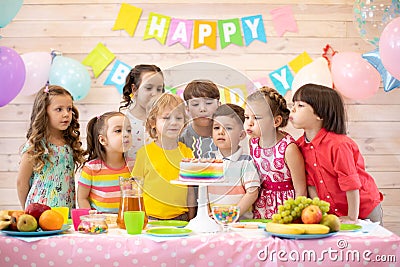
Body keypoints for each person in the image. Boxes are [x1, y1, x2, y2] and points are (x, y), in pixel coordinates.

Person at [290, 83, 383, 224]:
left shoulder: (339, 145)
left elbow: (351, 183)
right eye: (293, 105)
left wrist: (352, 217)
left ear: (320, 114)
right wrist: (321, 212)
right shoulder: (299, 146)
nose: (293, 109)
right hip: (335, 213)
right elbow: (311, 185)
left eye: (300, 105)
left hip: (363, 209)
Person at [16, 85, 86, 210]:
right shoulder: (36, 145)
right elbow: (21, 183)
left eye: (69, 109)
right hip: (40, 213)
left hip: (66, 212)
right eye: (59, 109)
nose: (66, 114)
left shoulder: (69, 142)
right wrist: (27, 210)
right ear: (44, 112)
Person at [244, 86, 307, 219]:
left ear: (276, 121)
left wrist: (295, 216)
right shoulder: (253, 143)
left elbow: (301, 189)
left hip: (284, 207)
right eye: (246, 117)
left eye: (256, 118)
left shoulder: (289, 148)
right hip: (261, 205)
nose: (249, 123)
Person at [131, 93, 195, 220]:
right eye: (166, 118)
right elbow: (135, 188)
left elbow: (190, 189)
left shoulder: (187, 153)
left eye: (178, 118)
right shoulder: (144, 153)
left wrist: (191, 217)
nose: (173, 123)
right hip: (149, 218)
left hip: (181, 218)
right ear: (153, 122)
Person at [208, 104, 261, 219]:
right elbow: (204, 192)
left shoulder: (246, 162)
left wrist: (232, 214)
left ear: (241, 135)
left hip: (240, 224)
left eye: (228, 128)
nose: (221, 132)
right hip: (214, 222)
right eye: (216, 128)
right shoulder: (209, 162)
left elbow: (252, 193)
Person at [77, 112, 133, 213]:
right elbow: (82, 198)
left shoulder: (133, 166)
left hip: (125, 223)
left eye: (128, 130)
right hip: (100, 224)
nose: (126, 134)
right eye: (118, 130)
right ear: (103, 140)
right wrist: (90, 219)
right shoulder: (91, 168)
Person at [119, 64, 164, 162]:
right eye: (148, 88)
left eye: (159, 89)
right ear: (135, 89)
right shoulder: (123, 120)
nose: (154, 93)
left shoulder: (165, 119)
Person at [179, 79, 220, 158]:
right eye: (195, 104)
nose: (202, 109)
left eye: (208, 103)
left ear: (219, 105)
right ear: (187, 109)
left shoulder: (228, 135)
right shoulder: (181, 137)